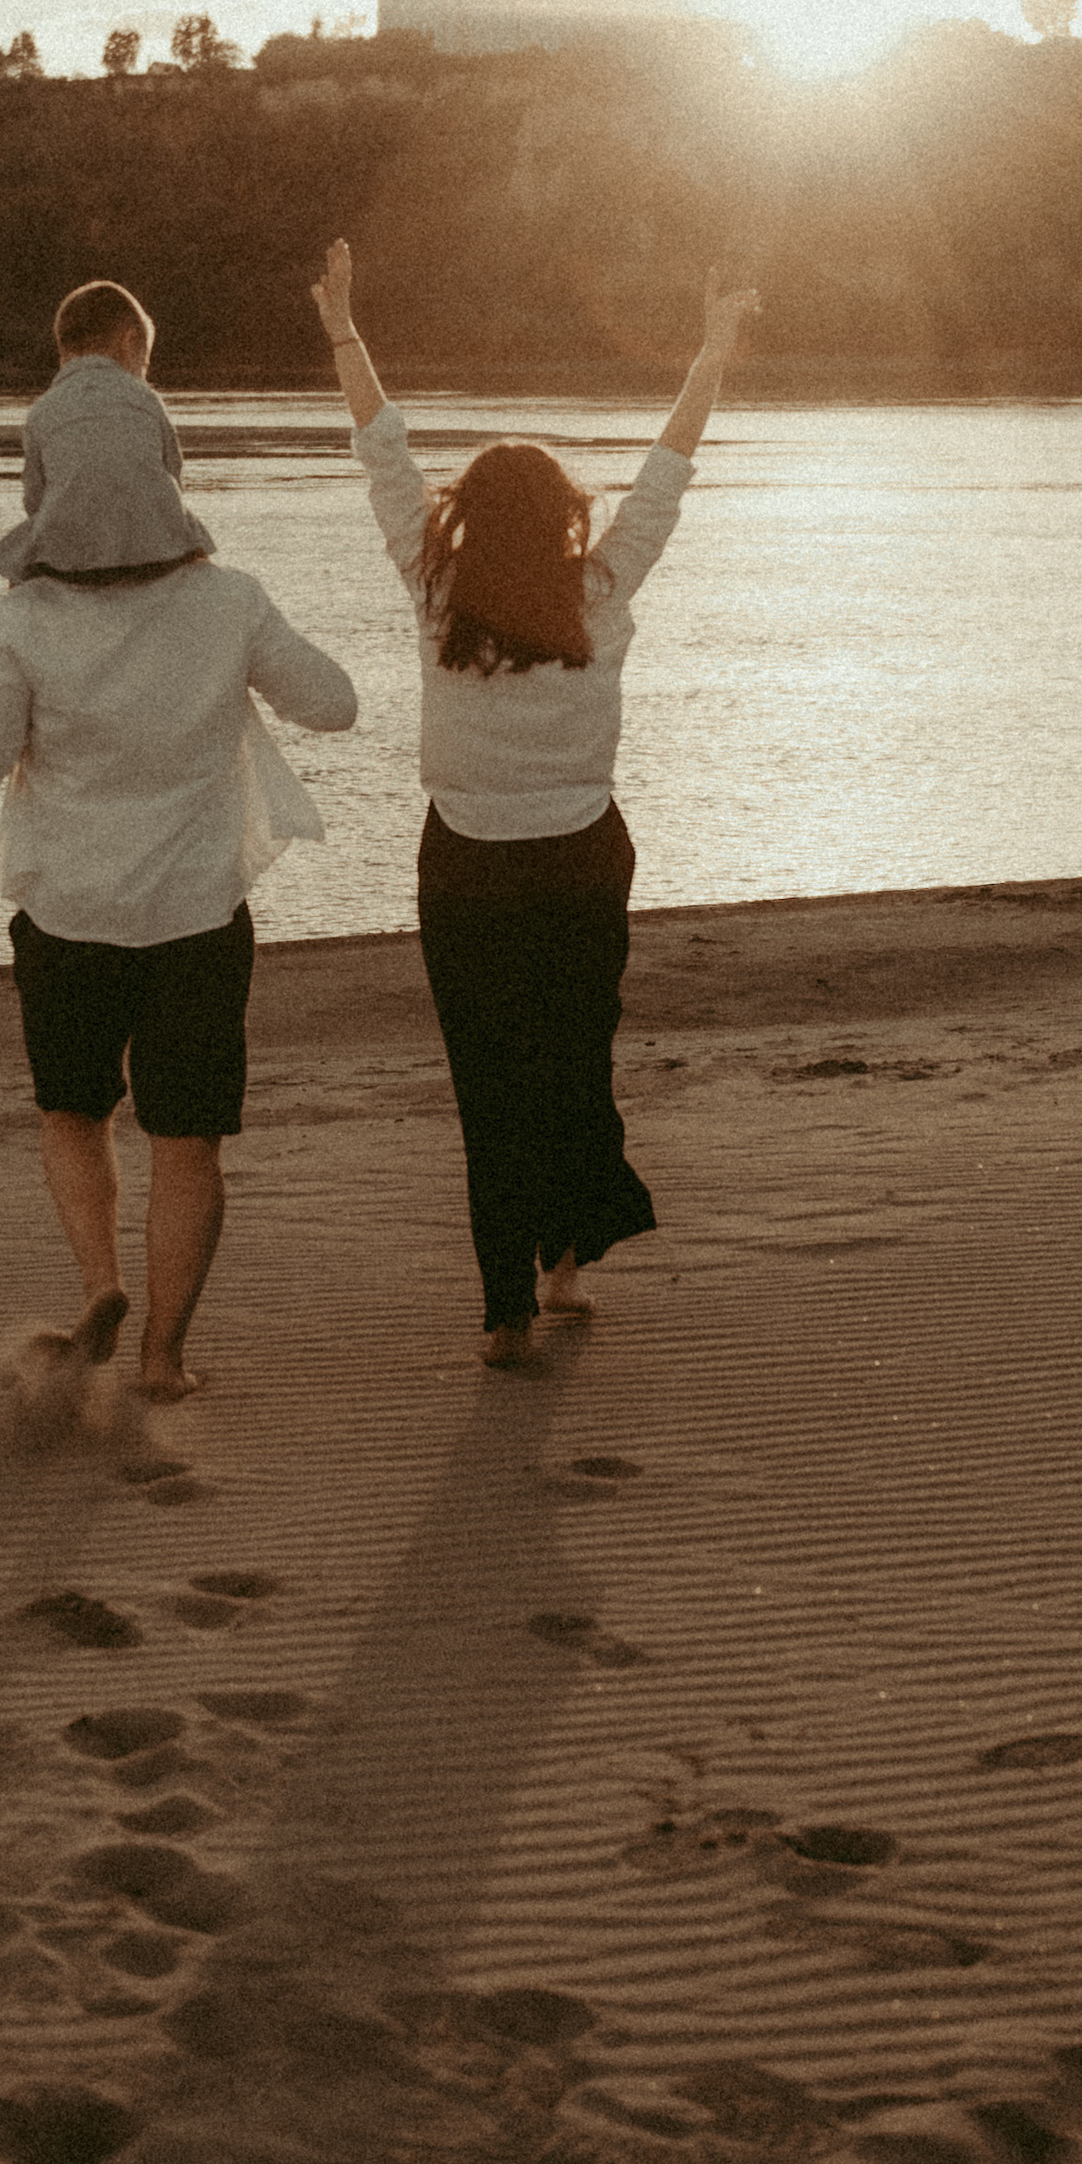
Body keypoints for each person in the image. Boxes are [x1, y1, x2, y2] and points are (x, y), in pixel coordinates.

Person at [310, 237, 759, 1367]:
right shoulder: (596, 588)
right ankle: (559, 1265)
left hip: (466, 865)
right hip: (581, 858)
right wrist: (709, 348)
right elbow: (666, 467)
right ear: (561, 516)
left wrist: (344, 329)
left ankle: (507, 1306)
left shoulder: (435, 586)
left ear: (469, 517)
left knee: (489, 1084)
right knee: (571, 1062)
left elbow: (383, 454)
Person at [0, 290, 356, 1401]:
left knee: (73, 1112)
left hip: (68, 915)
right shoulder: (227, 599)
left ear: (45, 480)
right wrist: (232, 667)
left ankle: (96, 1280)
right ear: (165, 462)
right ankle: (165, 1357)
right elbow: (336, 704)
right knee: (188, 1141)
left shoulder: (18, 623)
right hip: (192, 918)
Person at [0, 278, 217, 586]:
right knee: (194, 547)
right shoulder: (145, 398)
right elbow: (174, 472)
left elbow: (34, 497)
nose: (142, 374)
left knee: (25, 561)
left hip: (69, 564)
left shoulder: (42, 410)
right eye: (143, 364)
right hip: (157, 557)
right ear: (129, 342)